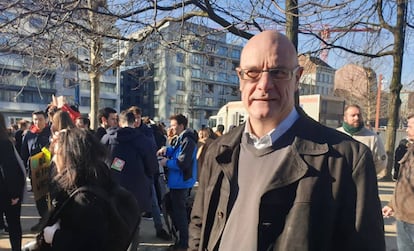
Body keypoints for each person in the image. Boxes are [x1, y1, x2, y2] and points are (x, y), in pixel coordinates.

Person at [188, 31, 385, 251]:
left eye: (278, 72)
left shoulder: (346, 160)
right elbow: (200, 224)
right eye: (252, 73)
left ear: (297, 78)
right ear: (240, 78)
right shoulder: (218, 151)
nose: (264, 84)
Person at [35, 128, 139, 251]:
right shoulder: (99, 181)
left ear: (70, 156)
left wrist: (55, 237)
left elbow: (90, 243)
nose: (54, 160)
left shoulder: (85, 199)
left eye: (57, 154)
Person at [101, 110, 158, 250]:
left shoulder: (107, 138)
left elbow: (98, 163)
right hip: (137, 192)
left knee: (112, 224)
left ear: (120, 122)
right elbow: (152, 167)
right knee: (134, 227)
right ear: (135, 122)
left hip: (112, 190)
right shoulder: (145, 141)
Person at [157, 114, 197, 251]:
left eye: (173, 125)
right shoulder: (181, 139)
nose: (171, 128)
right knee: (177, 212)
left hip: (181, 182)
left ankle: (184, 244)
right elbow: (176, 152)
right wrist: (166, 150)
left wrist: (166, 162)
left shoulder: (188, 140)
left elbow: (182, 162)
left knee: (180, 215)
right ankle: (180, 241)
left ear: (181, 126)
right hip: (177, 182)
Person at [382, 114, 414, 251]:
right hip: (403, 215)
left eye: (410, 126)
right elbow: (402, 183)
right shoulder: (410, 150)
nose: (407, 130)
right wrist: (392, 204)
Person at [21, 110, 52, 232]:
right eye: (35, 120)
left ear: (46, 120)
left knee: (51, 198)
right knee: (39, 198)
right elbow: (24, 154)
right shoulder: (29, 135)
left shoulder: (51, 133)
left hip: (50, 171)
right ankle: (43, 220)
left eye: (40, 119)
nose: (37, 122)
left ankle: (51, 221)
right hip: (35, 173)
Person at [337, 104, 387, 176]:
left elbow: (381, 162)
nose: (357, 118)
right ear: (345, 118)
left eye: (359, 115)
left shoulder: (373, 138)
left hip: (362, 182)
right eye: (353, 115)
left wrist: (366, 176)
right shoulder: (336, 135)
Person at [0, 112, 26, 251]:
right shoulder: (5, 143)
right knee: (14, 225)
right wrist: (15, 194)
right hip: (7, 194)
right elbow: (10, 170)